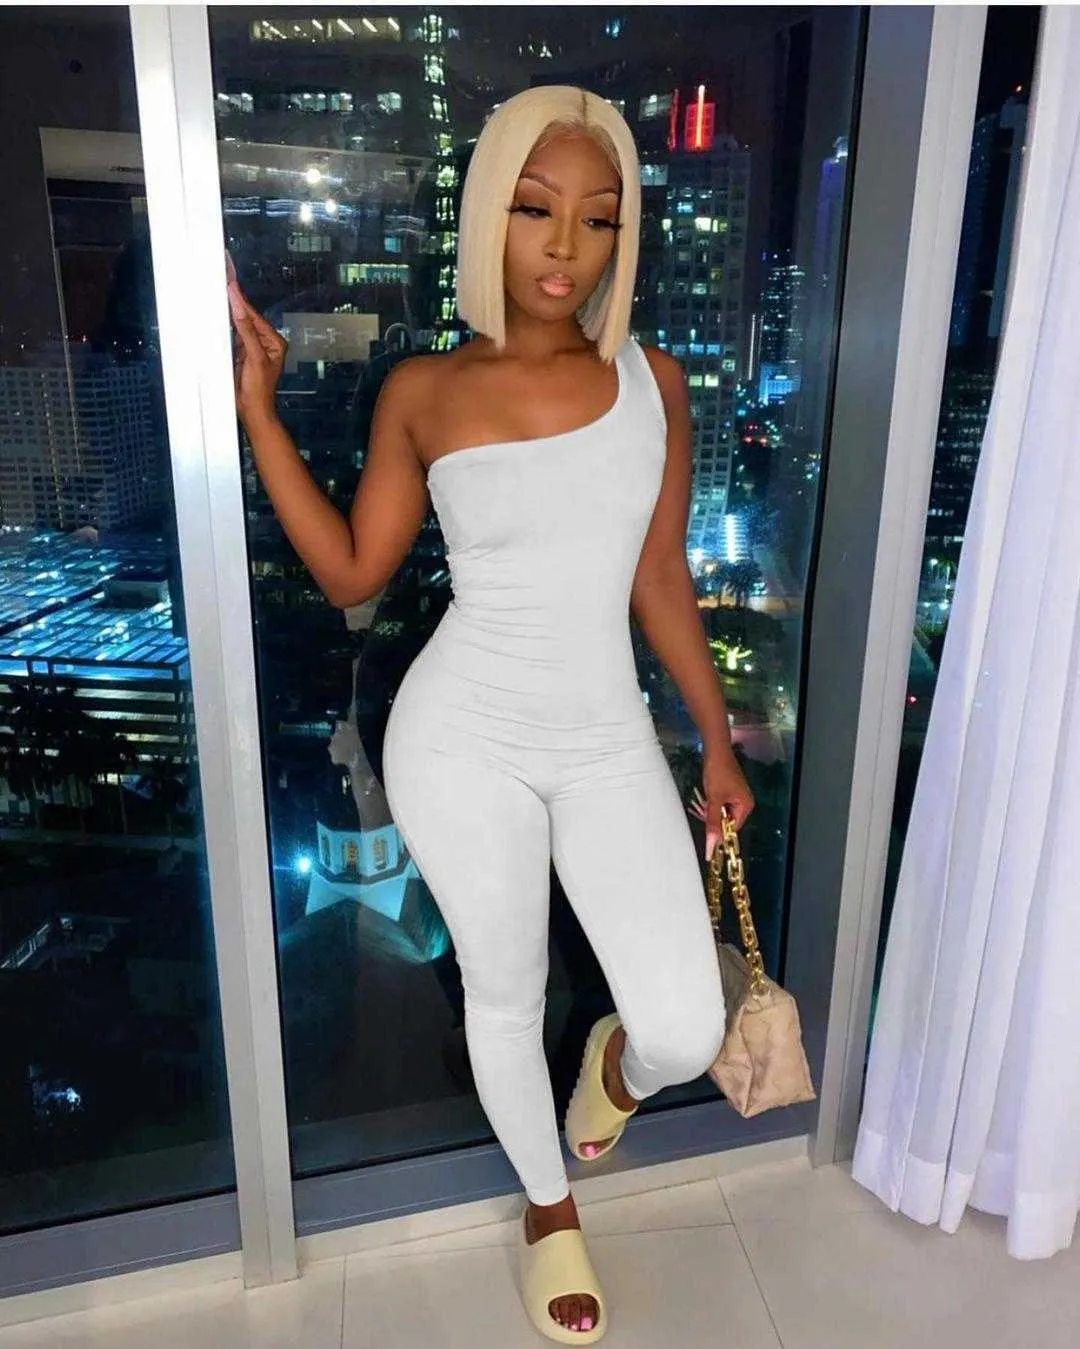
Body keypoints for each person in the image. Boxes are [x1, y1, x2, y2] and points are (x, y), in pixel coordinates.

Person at [228, 84, 755, 1346]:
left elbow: (659, 575)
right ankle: (547, 1207)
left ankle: (613, 1067)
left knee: (685, 1025)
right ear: (488, 220)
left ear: (623, 235)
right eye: (534, 210)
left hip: (605, 731)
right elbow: (353, 572)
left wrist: (717, 737)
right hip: (460, 734)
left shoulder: (654, 381)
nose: (566, 245)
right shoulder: (426, 389)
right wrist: (258, 411)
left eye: (598, 218)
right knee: (504, 989)